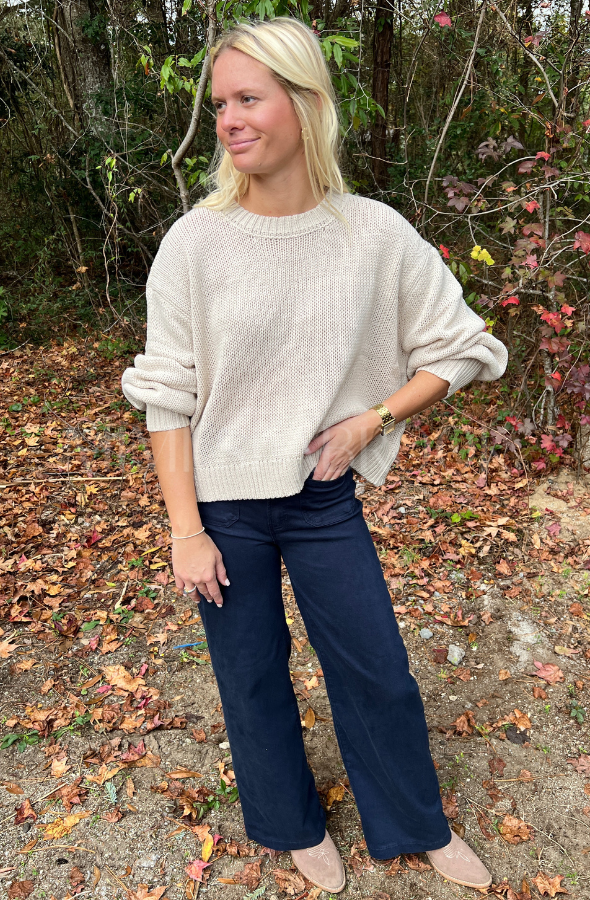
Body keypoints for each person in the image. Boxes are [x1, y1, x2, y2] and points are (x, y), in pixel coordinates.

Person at [121, 16, 507, 893]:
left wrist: (373, 418)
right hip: (222, 505)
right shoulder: (194, 243)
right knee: (251, 675)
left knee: (377, 668)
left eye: (248, 99)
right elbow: (167, 395)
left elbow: (464, 347)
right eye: (220, 105)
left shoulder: (373, 234)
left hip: (323, 499)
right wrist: (186, 531)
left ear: (304, 103)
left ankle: (416, 821)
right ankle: (292, 824)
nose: (229, 120)